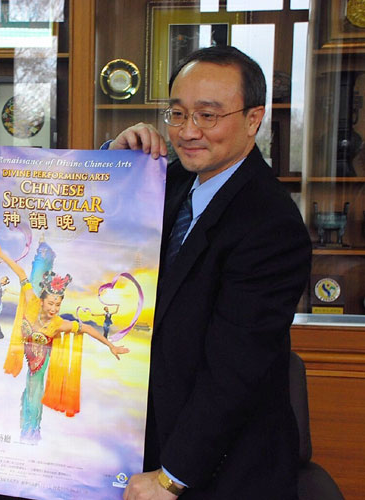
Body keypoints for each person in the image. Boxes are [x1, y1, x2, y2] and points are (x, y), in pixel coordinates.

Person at [106, 46, 311, 499]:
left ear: (253, 119)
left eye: (208, 115)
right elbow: (94, 233)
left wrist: (171, 476)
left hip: (220, 472)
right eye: (177, 114)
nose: (188, 132)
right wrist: (116, 163)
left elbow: (234, 371)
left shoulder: (270, 223)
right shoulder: (170, 181)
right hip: (143, 441)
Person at [0, 236, 129, 442]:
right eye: (51, 303)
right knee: (29, 388)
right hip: (26, 347)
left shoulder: (58, 324)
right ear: (42, 301)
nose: (54, 308)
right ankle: (44, 255)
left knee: (34, 389)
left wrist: (111, 346)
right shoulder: (31, 299)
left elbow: (88, 328)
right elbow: (21, 274)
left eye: (58, 305)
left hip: (40, 358)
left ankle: (31, 431)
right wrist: (1, 254)